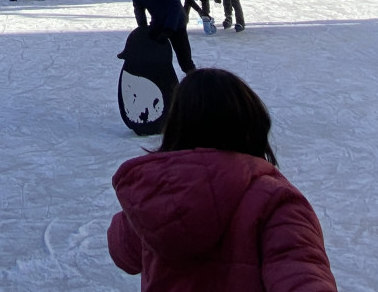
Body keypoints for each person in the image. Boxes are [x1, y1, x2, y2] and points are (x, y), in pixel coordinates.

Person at [108, 68, 337, 291]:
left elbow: (122, 252)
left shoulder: (158, 199)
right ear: (252, 123)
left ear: (176, 128)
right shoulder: (275, 202)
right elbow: (302, 275)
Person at [128, 0, 194, 75]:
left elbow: (174, 7)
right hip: (157, 21)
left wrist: (169, 29)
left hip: (177, 22)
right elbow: (138, 8)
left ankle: (193, 77)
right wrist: (143, 28)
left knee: (185, 61)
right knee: (155, 54)